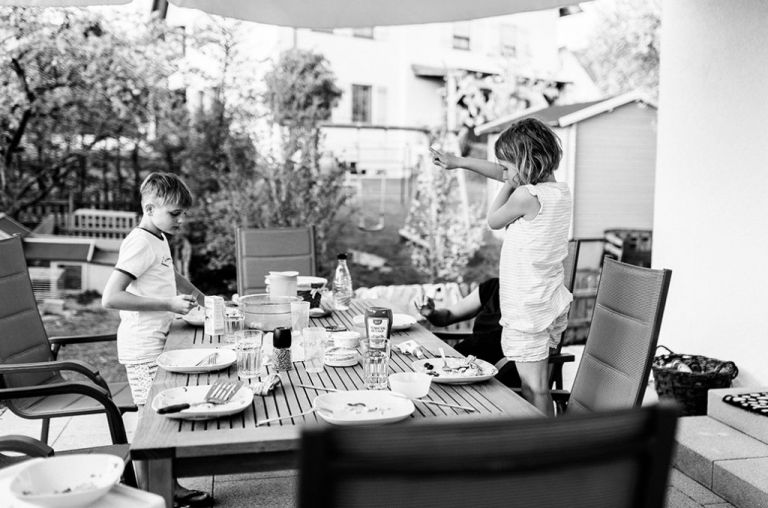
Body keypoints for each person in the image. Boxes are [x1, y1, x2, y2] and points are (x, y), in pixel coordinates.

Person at [431, 118, 572, 416]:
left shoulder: (525, 196)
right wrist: (459, 162)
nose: (502, 175)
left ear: (526, 163)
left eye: (507, 168)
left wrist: (508, 181)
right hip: (547, 301)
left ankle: (546, 440)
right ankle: (542, 437)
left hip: (527, 309)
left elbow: (493, 219)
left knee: (535, 388)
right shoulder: (558, 192)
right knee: (538, 385)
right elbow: (510, 173)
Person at [102, 172, 212, 508]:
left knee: (163, 416)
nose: (182, 219)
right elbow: (111, 297)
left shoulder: (158, 237)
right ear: (149, 209)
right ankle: (150, 495)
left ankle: (167, 488)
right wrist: (168, 304)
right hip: (142, 347)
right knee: (152, 424)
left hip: (158, 341)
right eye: (175, 213)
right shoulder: (139, 242)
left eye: (183, 213)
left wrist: (206, 300)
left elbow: (170, 274)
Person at [416, 278, 521, 387]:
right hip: (460, 359)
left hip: (492, 372)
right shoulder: (494, 286)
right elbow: (449, 315)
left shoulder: (532, 298)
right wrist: (432, 313)